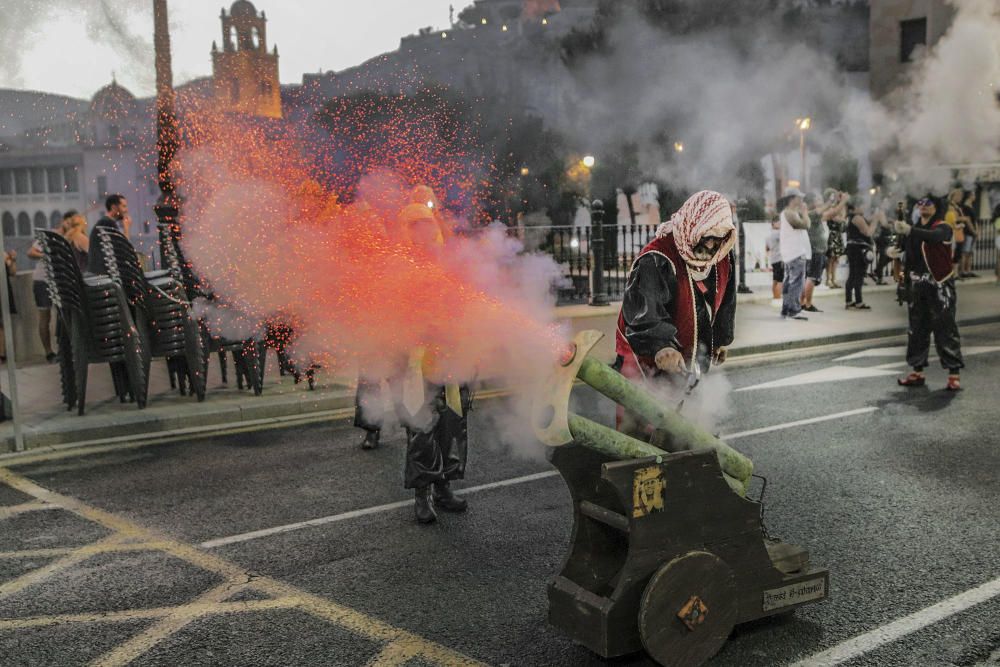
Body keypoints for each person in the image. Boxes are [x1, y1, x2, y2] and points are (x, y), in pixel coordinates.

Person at [615, 190, 737, 438]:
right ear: (694, 226)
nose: (712, 245)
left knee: (684, 415)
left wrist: (721, 339)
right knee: (641, 419)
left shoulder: (721, 254)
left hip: (688, 352)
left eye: (719, 238)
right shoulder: (657, 257)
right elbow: (643, 309)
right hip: (646, 356)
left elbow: (726, 299)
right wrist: (661, 346)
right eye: (708, 237)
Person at [894, 197, 963, 391]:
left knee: (945, 329)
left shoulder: (943, 227)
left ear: (936, 208)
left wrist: (909, 230)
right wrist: (894, 252)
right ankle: (917, 372)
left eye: (928, 204)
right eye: (921, 204)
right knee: (917, 330)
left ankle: (953, 374)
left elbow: (932, 237)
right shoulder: (913, 229)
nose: (923, 206)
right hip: (917, 286)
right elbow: (908, 254)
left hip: (940, 286)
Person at [778, 188, 811, 320]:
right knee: (796, 282)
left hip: (790, 253)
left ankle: (786, 309)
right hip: (795, 253)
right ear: (792, 198)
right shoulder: (789, 213)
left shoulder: (788, 212)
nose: (801, 200)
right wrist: (805, 213)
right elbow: (805, 225)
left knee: (789, 281)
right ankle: (793, 310)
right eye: (799, 197)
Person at [844, 201, 876, 310]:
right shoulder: (857, 217)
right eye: (862, 206)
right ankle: (859, 302)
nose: (864, 208)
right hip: (859, 249)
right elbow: (868, 232)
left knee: (853, 275)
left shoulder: (851, 217)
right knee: (858, 275)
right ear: (856, 207)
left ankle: (849, 301)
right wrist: (876, 221)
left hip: (853, 248)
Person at [801, 192, 830, 312]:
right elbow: (824, 209)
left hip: (816, 250)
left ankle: (802, 302)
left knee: (810, 278)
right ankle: (807, 304)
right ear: (812, 202)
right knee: (811, 278)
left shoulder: (812, 214)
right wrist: (832, 201)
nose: (821, 201)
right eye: (818, 199)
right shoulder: (812, 214)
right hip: (815, 250)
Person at [88, 194, 130, 273]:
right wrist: (126, 228)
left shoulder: (104, 222)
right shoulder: (108, 223)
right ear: (114, 207)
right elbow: (124, 250)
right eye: (124, 206)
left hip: (100, 272)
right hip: (104, 273)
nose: (126, 210)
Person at [824, 189, 847, 289]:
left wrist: (842, 205)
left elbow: (843, 218)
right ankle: (828, 280)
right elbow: (839, 219)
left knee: (836, 259)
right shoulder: (831, 208)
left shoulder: (839, 208)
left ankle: (834, 279)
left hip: (838, 235)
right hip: (832, 235)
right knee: (831, 259)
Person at [944, 188, 966, 280]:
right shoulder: (950, 209)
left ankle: (956, 273)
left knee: (957, 254)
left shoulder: (956, 207)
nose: (960, 198)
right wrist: (962, 221)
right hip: (954, 234)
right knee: (953, 254)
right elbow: (953, 221)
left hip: (958, 234)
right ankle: (952, 273)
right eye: (958, 195)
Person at [0, 249, 17, 363]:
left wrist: (12, 260)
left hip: (3, 291)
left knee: (2, 324)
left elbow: (12, 272)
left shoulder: (3, 254)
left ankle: (2, 354)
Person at [958, 190, 978, 279]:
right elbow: (968, 221)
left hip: (973, 232)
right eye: (973, 195)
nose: (975, 196)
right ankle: (963, 271)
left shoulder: (971, 206)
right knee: (965, 252)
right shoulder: (965, 207)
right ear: (970, 196)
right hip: (968, 232)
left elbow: (974, 220)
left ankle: (968, 270)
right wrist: (974, 231)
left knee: (970, 252)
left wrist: (977, 230)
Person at [765, 215, 782, 305]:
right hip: (780, 259)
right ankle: (778, 299)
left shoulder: (768, 235)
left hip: (774, 259)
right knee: (780, 280)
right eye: (779, 222)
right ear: (773, 224)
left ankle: (775, 298)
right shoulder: (778, 234)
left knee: (775, 280)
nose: (781, 224)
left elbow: (767, 249)